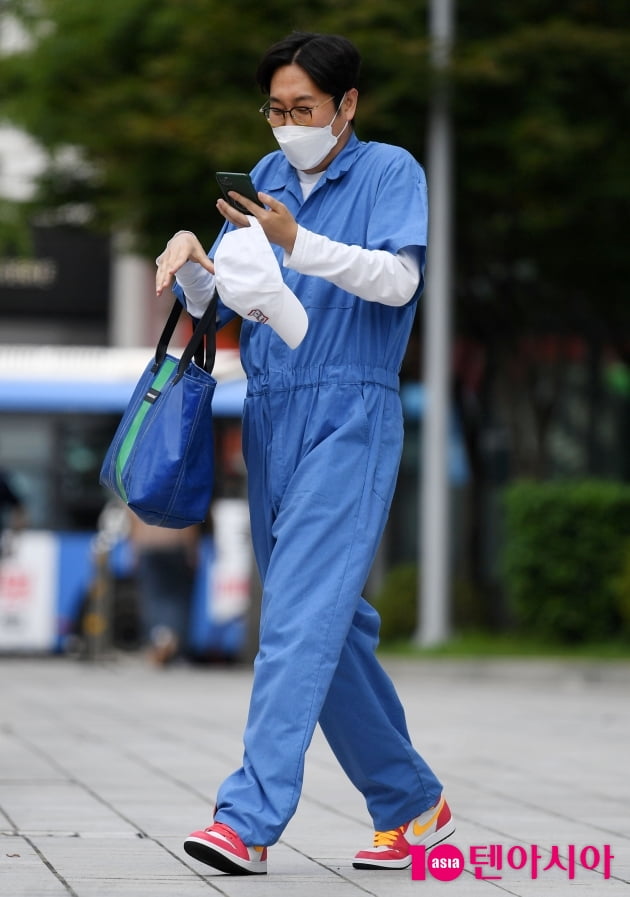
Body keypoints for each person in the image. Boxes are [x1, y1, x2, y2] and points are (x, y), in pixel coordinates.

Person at [155, 31, 454, 875]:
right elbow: (244, 303)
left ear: (346, 106)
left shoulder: (392, 171)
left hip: (352, 406)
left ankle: (246, 818)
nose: (288, 126)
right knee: (329, 625)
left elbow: (399, 282)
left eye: (305, 110)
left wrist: (297, 242)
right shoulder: (269, 175)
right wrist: (192, 264)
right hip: (272, 409)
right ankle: (412, 804)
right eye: (277, 110)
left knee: (295, 617)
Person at [127, 511, 200, 666]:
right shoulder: (178, 486)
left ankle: (155, 644)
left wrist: (133, 553)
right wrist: (192, 552)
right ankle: (174, 647)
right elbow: (190, 521)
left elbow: (132, 519)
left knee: (151, 600)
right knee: (177, 601)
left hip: (147, 545)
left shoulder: (140, 487)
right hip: (174, 545)